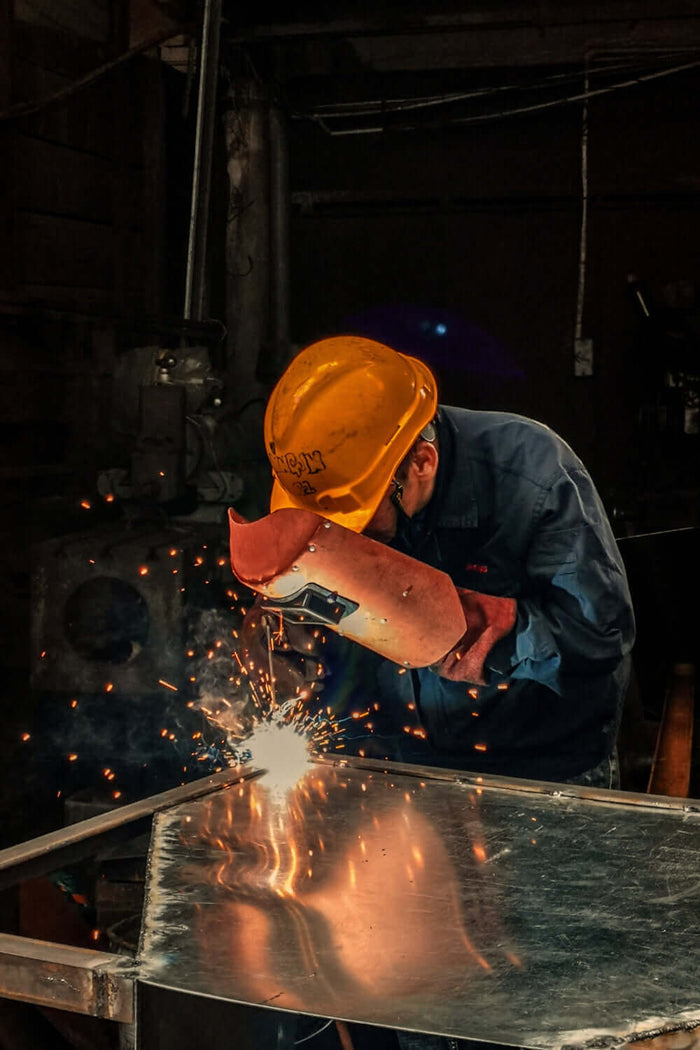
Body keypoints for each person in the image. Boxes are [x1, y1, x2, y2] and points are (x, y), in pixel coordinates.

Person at [236, 334, 635, 1050]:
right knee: (422, 997)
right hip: (407, 779)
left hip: (541, 777)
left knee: (542, 1002)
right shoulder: (332, 475)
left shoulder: (532, 472)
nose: (341, 536)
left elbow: (600, 636)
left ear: (419, 463)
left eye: (357, 523)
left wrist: (484, 630)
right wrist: (294, 646)